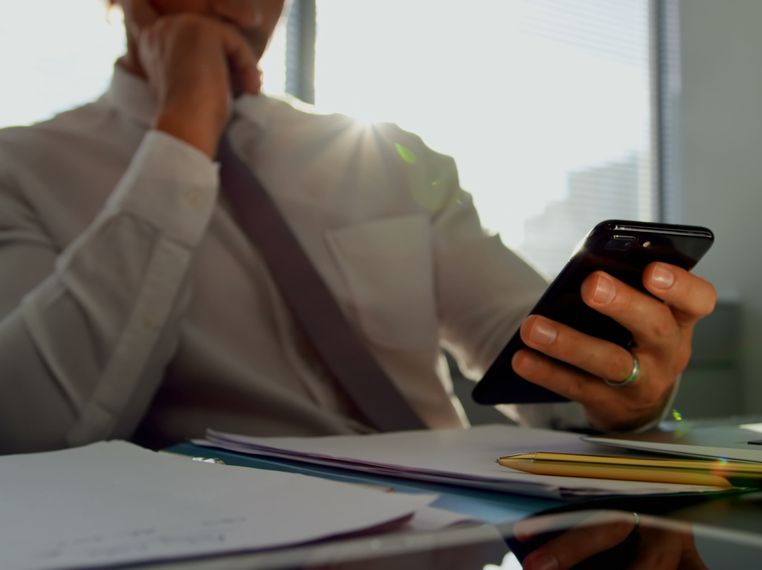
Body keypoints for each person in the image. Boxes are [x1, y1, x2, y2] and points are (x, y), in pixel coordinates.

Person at [0, 0, 717, 454]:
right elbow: (35, 427)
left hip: (461, 532)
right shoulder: (18, 169)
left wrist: (626, 396)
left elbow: (524, 347)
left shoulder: (384, 154)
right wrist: (184, 126)